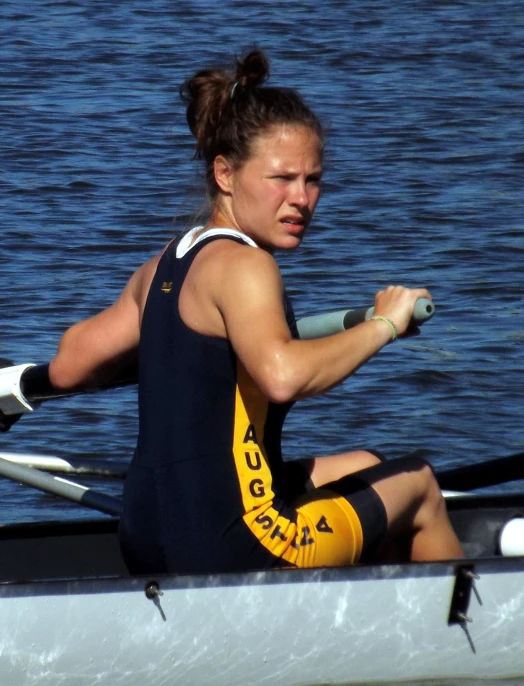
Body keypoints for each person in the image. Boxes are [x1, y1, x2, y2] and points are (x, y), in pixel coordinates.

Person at [48, 49, 464, 574]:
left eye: (313, 179)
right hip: (236, 543)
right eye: (282, 179)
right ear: (225, 174)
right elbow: (283, 376)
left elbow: (66, 367)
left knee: (367, 468)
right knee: (420, 482)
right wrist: (385, 323)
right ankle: (468, 630)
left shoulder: (160, 269)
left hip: (145, 534)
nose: (301, 199)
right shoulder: (246, 267)